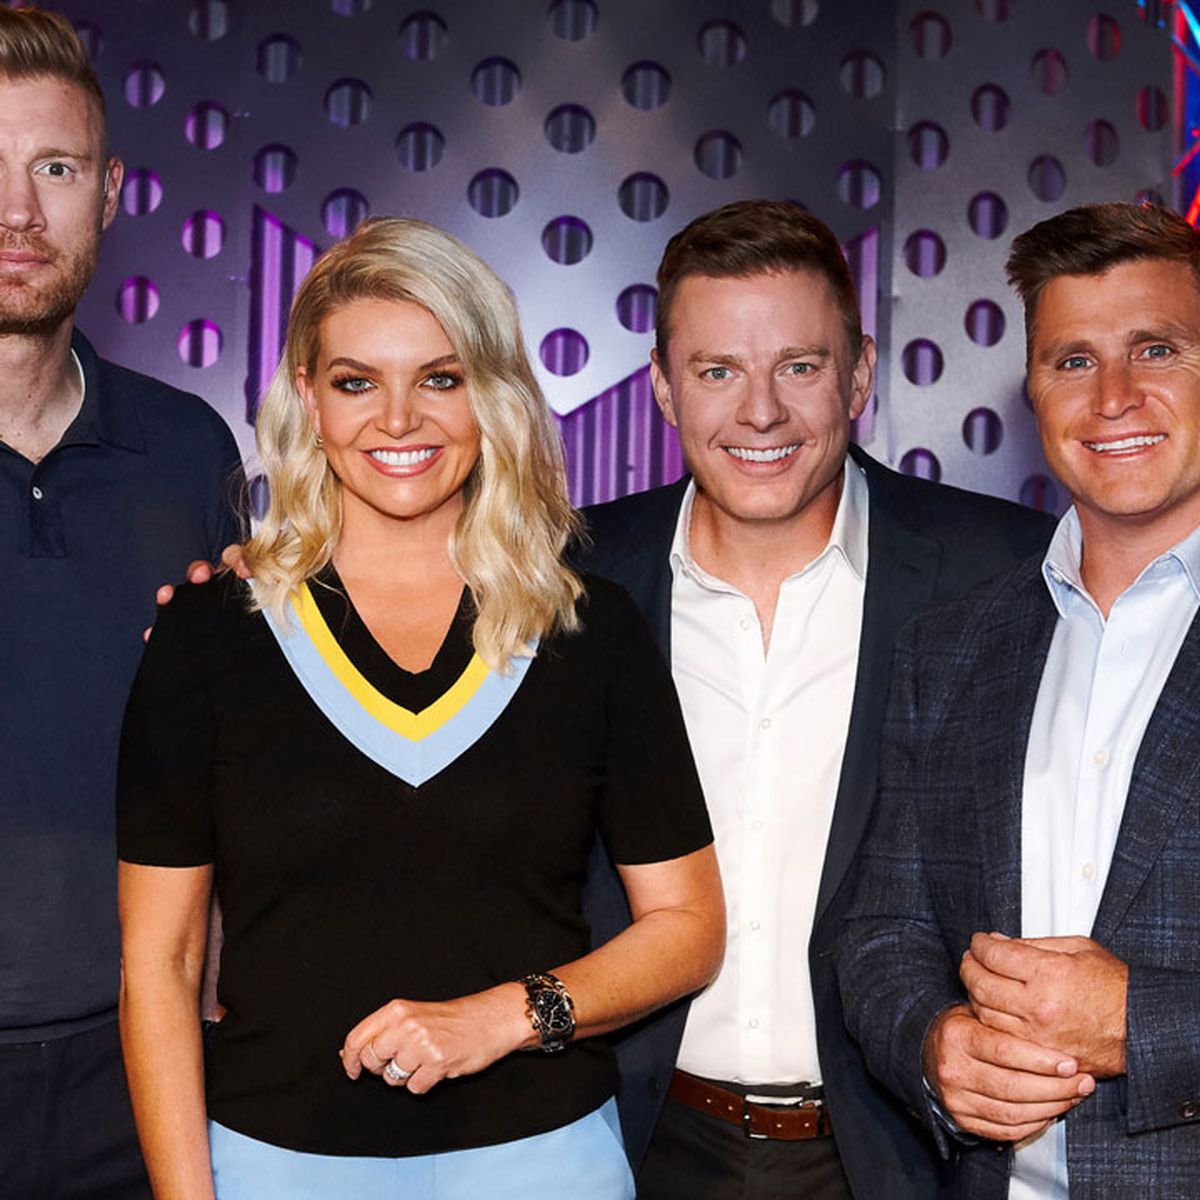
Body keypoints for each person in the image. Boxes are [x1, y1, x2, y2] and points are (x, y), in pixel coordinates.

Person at [117, 216, 723, 1200]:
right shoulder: (208, 635)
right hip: (274, 1167)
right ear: (308, 398)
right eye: (357, 382)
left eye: (441, 379)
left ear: (494, 395)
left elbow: (689, 926)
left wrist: (504, 1017)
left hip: (545, 1163)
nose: (398, 420)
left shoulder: (588, 628)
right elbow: (161, 963)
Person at [578, 199, 1056, 1199]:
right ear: (662, 386)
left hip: (900, 1155)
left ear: (861, 375)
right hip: (626, 1144)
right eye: (717, 371)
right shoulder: (565, 578)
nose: (761, 412)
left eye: (798, 366)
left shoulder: (1006, 571)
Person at [837, 200, 1200, 1199]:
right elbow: (883, 932)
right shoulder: (952, 647)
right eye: (1073, 361)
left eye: (1156, 350)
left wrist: (1143, 1025)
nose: (1114, 397)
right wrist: (934, 1046)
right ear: (1033, 389)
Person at [0, 8, 243, 1198]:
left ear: (109, 192)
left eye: (55, 169)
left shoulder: (187, 451)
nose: (17, 213)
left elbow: (241, 757)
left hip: (139, 1064)